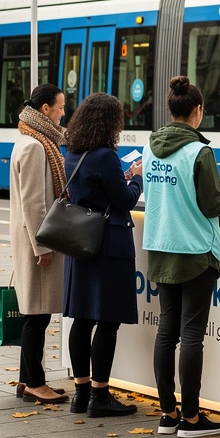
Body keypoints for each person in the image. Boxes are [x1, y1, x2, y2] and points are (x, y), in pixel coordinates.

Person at [143, 76, 220, 436]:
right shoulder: (200, 152)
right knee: (192, 335)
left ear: (171, 110)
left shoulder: (150, 149)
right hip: (195, 251)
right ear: (197, 111)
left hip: (160, 247)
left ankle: (168, 415)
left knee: (166, 332)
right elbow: (210, 204)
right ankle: (192, 418)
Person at [63, 93, 143, 418]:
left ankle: (80, 394)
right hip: (109, 243)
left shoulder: (73, 151)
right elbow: (125, 201)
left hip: (80, 241)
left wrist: (118, 181)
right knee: (107, 320)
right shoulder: (106, 156)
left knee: (82, 318)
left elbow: (92, 189)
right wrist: (136, 177)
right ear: (111, 122)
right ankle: (101, 395)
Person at [9, 84, 68, 404]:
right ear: (45, 109)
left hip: (31, 238)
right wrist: (42, 246)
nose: (63, 113)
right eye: (60, 108)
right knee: (37, 314)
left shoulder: (29, 139)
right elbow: (34, 203)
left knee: (36, 311)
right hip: (36, 240)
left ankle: (26, 379)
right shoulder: (35, 146)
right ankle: (34, 382)